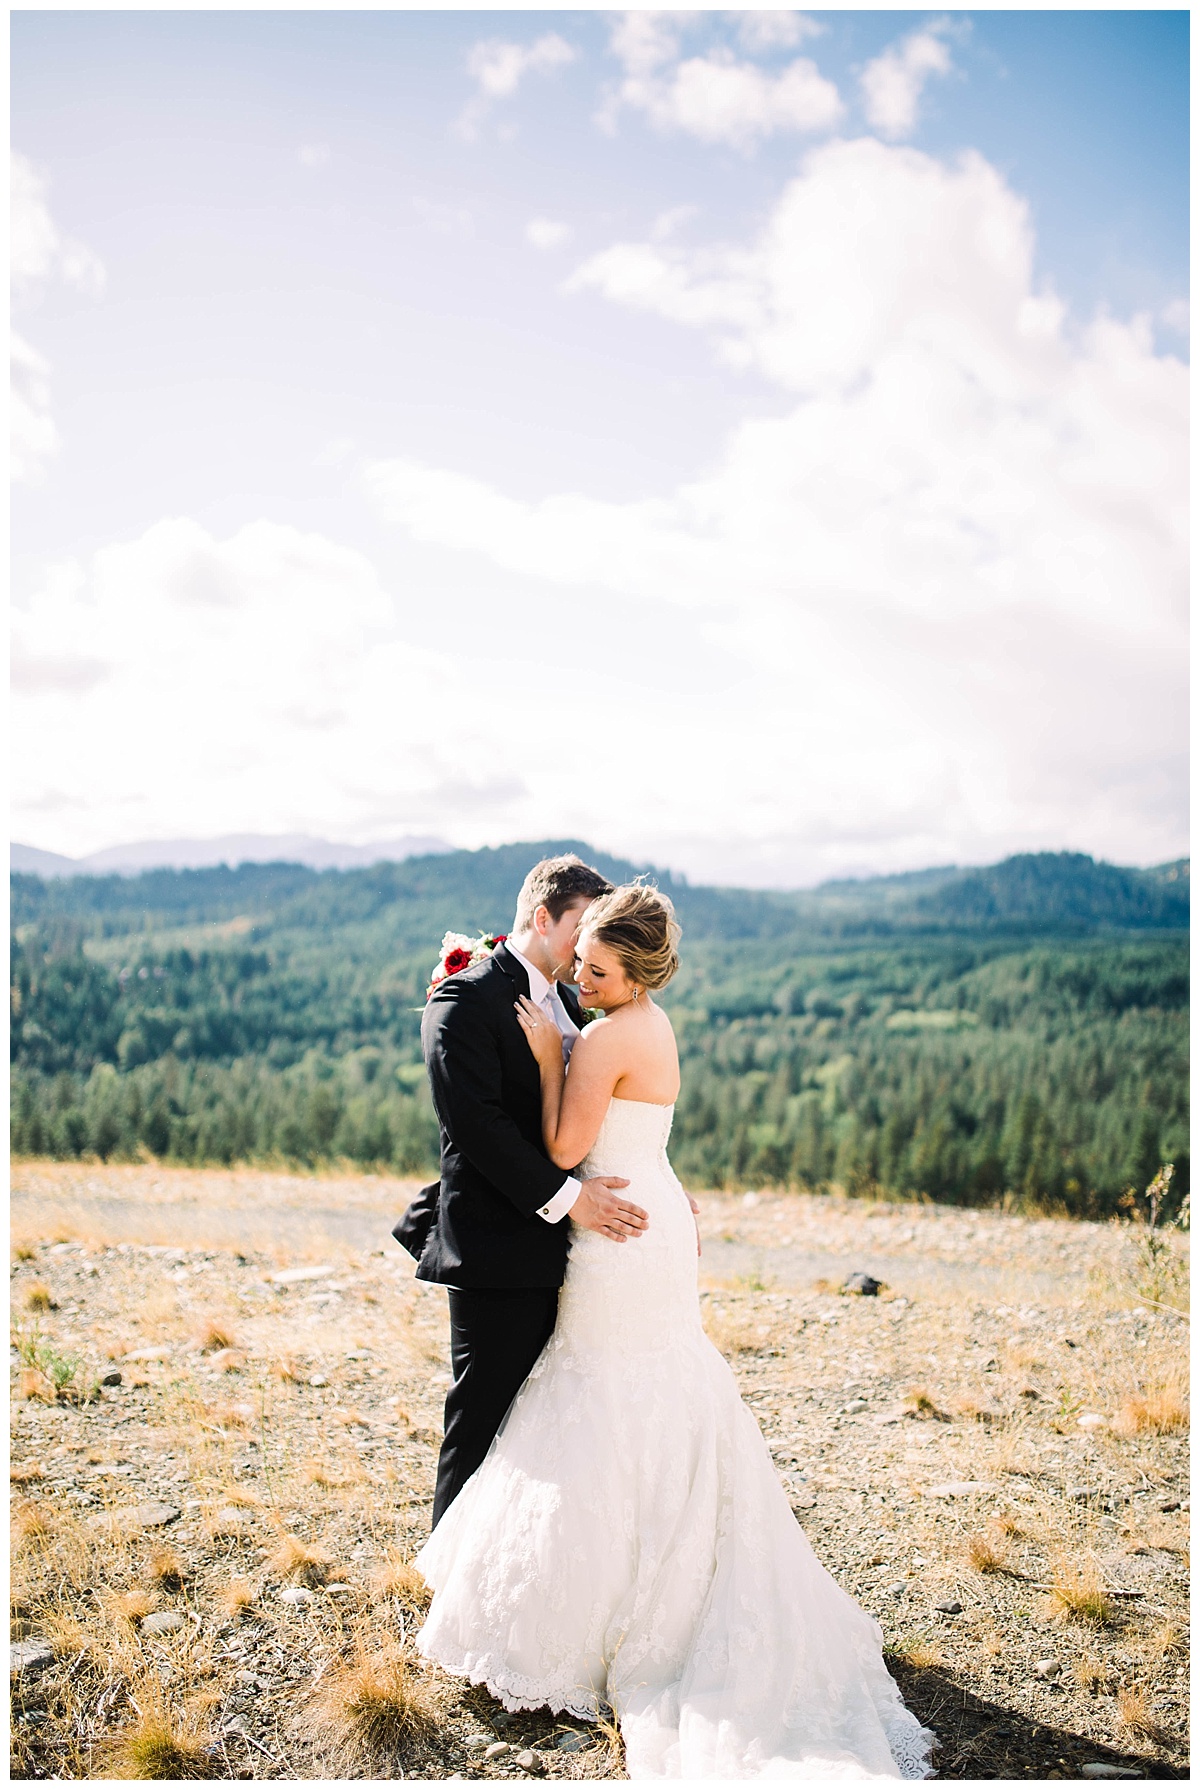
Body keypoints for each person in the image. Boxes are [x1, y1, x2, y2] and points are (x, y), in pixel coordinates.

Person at [414, 883, 935, 1781]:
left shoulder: (602, 1034)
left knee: (600, 1396)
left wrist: (549, 1061)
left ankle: (584, 1606)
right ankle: (664, 1577)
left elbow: (567, 1147)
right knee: (652, 1392)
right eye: (579, 961)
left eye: (598, 968)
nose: (581, 977)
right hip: (647, 1216)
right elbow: (631, 1132)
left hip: (614, 1235)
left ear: (633, 971)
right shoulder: (650, 1023)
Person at [396, 854, 660, 1528]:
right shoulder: (464, 1001)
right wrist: (575, 1200)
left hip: (568, 1254)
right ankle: (445, 1580)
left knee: (543, 1425)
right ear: (543, 918)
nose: (589, 948)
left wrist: (656, 1176)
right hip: (496, 1250)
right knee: (481, 1415)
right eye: (583, 926)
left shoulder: (571, 1001)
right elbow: (479, 1131)